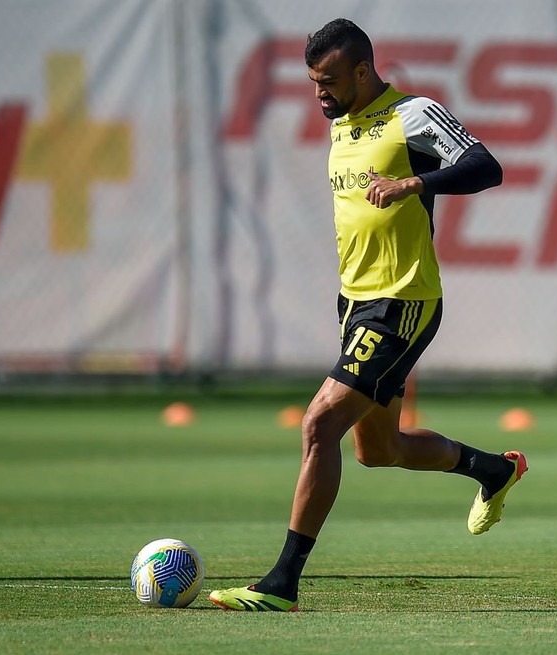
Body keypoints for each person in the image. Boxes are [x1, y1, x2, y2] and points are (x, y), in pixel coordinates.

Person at [209, 18, 527, 612]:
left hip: (401, 303)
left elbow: (488, 167)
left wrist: (414, 183)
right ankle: (493, 470)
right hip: (356, 303)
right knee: (378, 450)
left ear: (362, 71)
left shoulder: (414, 115)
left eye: (328, 81)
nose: (319, 94)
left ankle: (282, 582)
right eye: (312, 83)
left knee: (318, 425)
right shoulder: (343, 125)